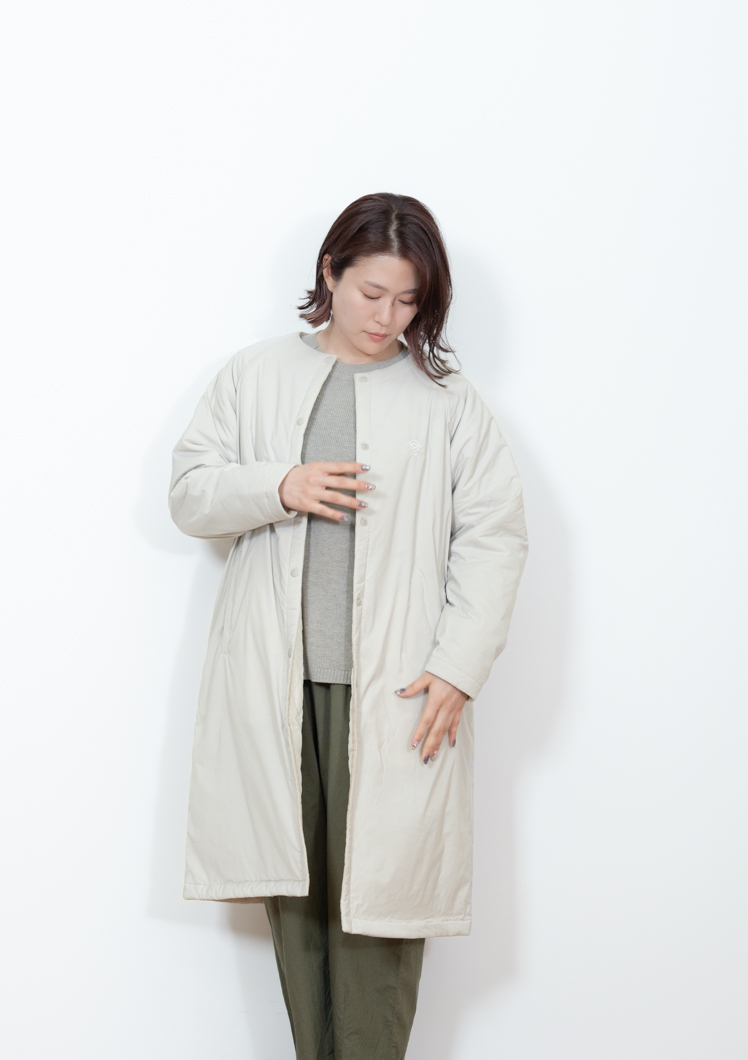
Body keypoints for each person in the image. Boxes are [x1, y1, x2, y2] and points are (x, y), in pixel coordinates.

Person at [168, 192, 528, 1060]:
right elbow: (188, 494)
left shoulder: (447, 402)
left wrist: (458, 666)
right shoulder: (254, 375)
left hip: (398, 693)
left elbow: (494, 537)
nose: (386, 317)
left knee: (380, 913)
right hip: (277, 687)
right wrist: (278, 485)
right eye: (371, 293)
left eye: (408, 300)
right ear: (329, 273)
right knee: (295, 907)